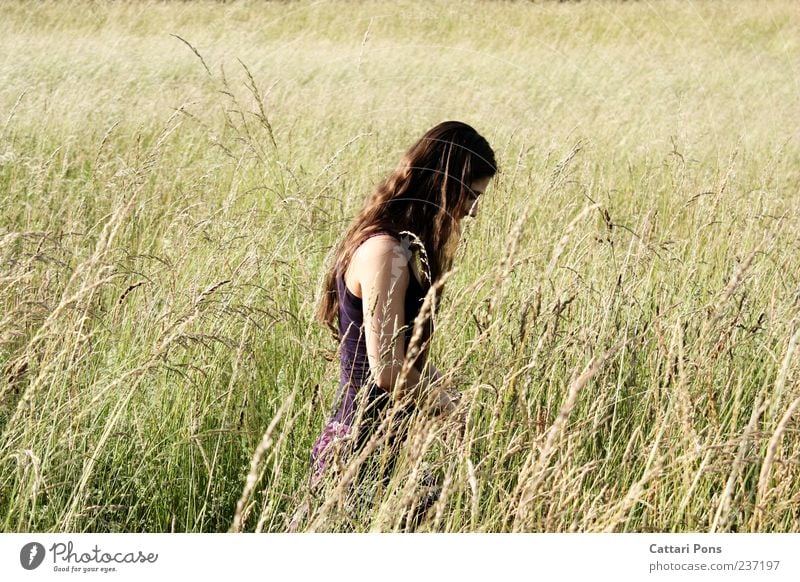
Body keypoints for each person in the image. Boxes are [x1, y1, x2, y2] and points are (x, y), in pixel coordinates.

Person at [309, 120, 497, 522]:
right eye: (471, 196)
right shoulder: (384, 252)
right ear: (446, 185)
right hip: (358, 447)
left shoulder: (401, 246)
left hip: (388, 441)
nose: (473, 211)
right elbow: (388, 369)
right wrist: (446, 405)